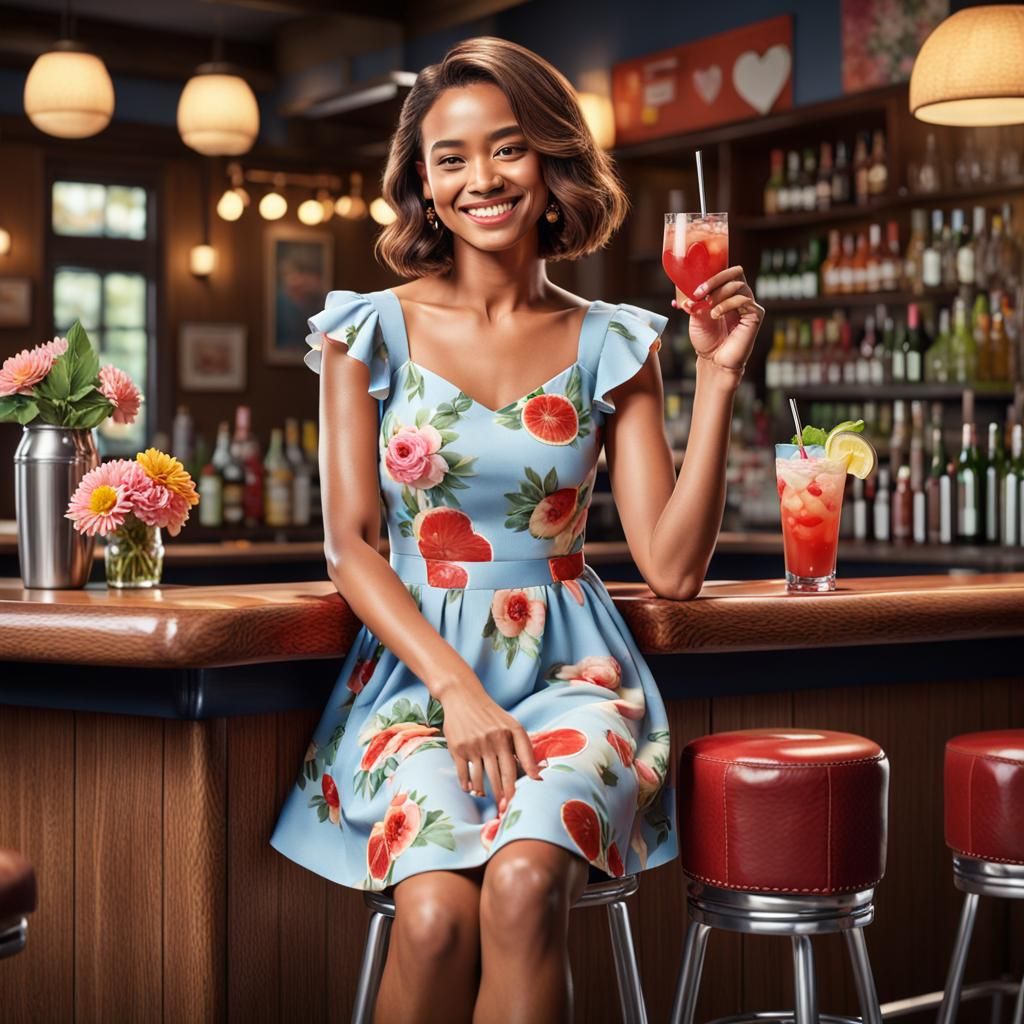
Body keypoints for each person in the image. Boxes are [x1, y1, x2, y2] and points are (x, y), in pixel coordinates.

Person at [269, 35, 763, 1024]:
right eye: (449, 158)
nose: (481, 179)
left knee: (526, 886)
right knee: (433, 922)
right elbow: (348, 546)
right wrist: (454, 690)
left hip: (576, 679)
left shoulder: (617, 341)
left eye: (507, 149)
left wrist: (713, 379)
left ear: (550, 167)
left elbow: (669, 568)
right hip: (416, 680)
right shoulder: (364, 330)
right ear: (421, 181)